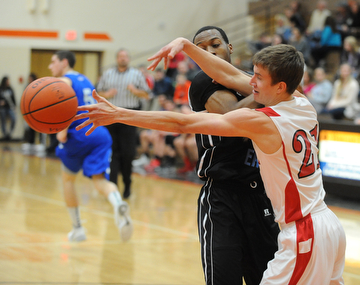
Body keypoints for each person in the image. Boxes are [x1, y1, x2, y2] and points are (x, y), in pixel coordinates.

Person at [75, 41, 346, 285]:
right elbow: (228, 75)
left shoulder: (264, 121)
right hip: (329, 226)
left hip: (303, 232)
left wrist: (119, 114)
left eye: (259, 78)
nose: (251, 82)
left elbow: (183, 122)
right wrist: (186, 46)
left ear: (280, 86)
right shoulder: (302, 102)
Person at [48, 50, 133, 242]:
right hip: (99, 133)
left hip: (79, 133)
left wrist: (61, 129)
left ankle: (77, 229)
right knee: (100, 181)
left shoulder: (64, 81)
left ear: (63, 62)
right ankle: (117, 203)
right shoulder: (84, 79)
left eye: (53, 62)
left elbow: (65, 101)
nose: (50, 66)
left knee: (68, 180)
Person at [96, 48, 151, 198]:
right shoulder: (108, 74)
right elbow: (98, 93)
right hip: (111, 116)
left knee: (128, 154)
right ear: (116, 59)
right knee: (113, 153)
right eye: (120, 56)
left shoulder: (137, 74)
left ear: (128, 59)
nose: (123, 59)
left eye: (125, 56)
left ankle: (127, 185)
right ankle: (113, 188)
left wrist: (135, 91)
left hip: (129, 115)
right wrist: (107, 94)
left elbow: (147, 94)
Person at [0, 76, 16, 141]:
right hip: (2, 108)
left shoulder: (10, 88)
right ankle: (4, 135)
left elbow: (13, 98)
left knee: (14, 119)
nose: (8, 82)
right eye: (7, 81)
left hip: (10, 107)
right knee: (3, 121)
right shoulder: (1, 89)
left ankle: (9, 133)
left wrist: (15, 106)